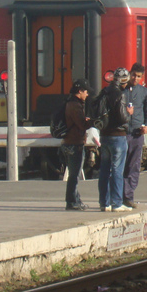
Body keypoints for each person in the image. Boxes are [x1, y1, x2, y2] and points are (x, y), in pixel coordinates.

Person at [98, 68, 133, 213]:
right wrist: (129, 113)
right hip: (118, 136)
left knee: (104, 170)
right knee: (117, 170)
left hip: (104, 135)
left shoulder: (104, 92)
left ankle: (104, 203)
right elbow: (122, 117)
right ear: (123, 81)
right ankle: (117, 203)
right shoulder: (120, 95)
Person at [122, 63, 147, 208]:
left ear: (142, 78)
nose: (135, 78)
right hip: (122, 133)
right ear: (129, 74)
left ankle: (128, 196)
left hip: (136, 134)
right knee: (119, 166)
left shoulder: (144, 92)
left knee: (133, 166)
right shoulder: (121, 90)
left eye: (139, 76)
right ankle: (117, 195)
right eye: (133, 75)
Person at [61, 79, 93, 210]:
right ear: (79, 92)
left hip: (69, 142)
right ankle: (71, 202)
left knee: (74, 174)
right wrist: (90, 122)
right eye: (85, 92)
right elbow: (81, 124)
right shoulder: (75, 105)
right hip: (74, 143)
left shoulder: (69, 103)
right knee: (74, 175)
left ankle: (76, 200)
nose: (87, 95)